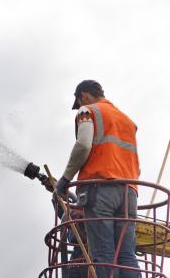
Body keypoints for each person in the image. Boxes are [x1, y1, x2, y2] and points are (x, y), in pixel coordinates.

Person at [54, 80, 140, 277]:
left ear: (83, 96)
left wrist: (65, 180)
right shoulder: (127, 121)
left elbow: (83, 145)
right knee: (126, 254)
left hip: (99, 189)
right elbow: (137, 165)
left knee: (103, 253)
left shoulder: (87, 111)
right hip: (129, 192)